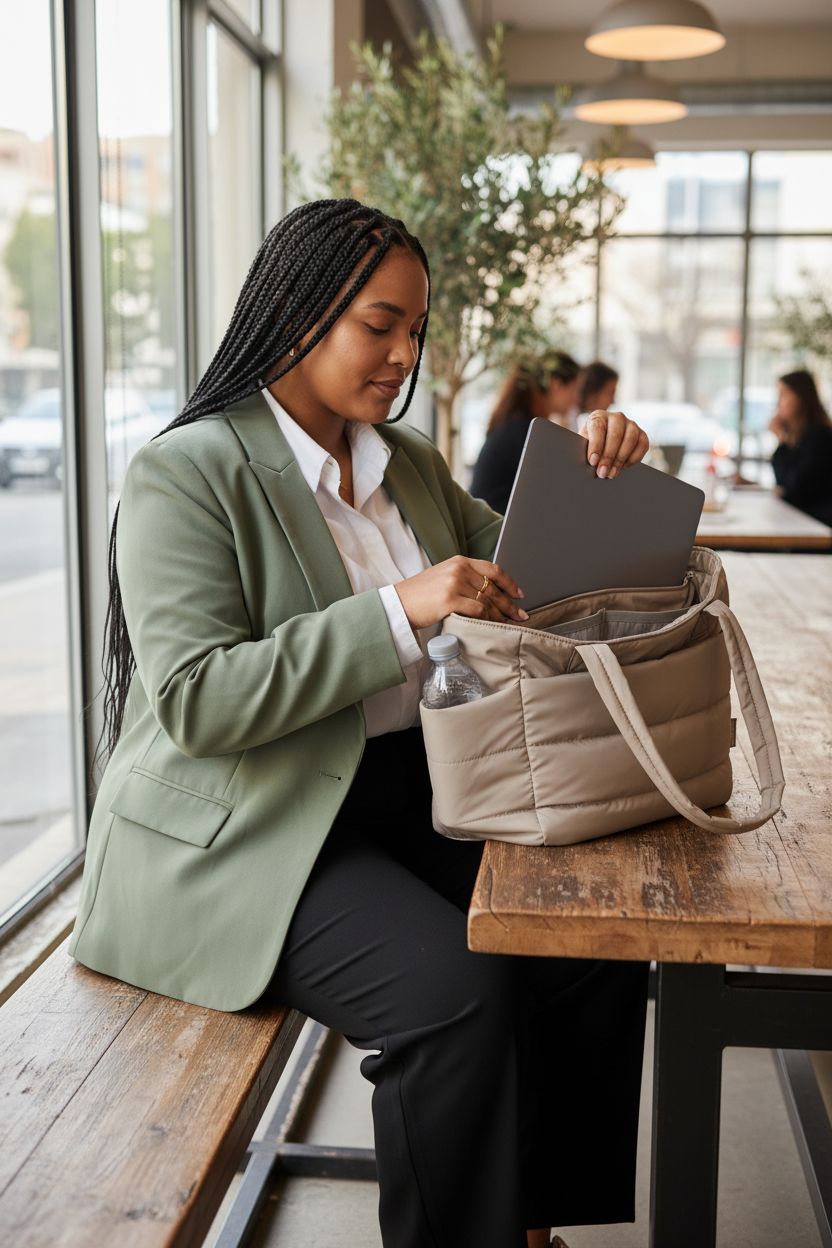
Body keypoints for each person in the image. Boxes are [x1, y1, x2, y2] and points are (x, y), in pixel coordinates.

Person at [69, 199, 652, 1248]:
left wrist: (602, 474)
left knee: (588, 931)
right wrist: (404, 607)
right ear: (295, 311)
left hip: (403, 790)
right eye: (377, 324)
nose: (401, 354)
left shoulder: (408, 463)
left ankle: (530, 1219)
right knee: (452, 990)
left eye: (413, 331)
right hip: (253, 823)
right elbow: (198, 699)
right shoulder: (186, 471)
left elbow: (540, 571)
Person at [470, 350, 582, 513]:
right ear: (556, 384)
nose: (576, 399)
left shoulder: (515, 424)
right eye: (574, 389)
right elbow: (555, 488)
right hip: (497, 528)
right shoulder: (526, 431)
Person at [769, 369, 832, 527]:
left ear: (801, 398)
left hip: (817, 527)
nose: (778, 403)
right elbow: (783, 482)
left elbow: (793, 488)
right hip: (804, 521)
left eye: (783, 395)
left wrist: (782, 441)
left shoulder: (820, 437)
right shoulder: (801, 437)